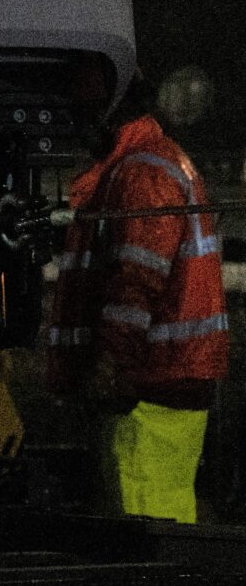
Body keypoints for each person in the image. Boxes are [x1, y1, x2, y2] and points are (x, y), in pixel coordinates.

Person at [43, 78, 233, 522]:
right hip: (166, 374)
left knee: (145, 524)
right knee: (165, 509)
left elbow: (135, 282)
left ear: (108, 112)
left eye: (79, 114)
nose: (73, 126)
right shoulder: (156, 162)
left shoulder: (141, 173)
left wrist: (111, 363)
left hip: (147, 381)